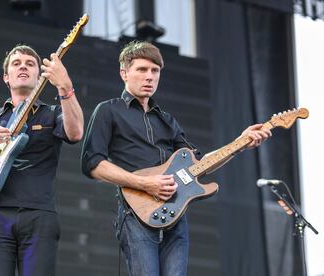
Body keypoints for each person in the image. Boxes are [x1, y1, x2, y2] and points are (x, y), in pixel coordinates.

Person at [81, 40, 271, 276]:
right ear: (124, 73)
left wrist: (239, 144)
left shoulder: (167, 120)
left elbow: (199, 166)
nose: (149, 77)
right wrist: (144, 183)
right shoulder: (108, 110)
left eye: (155, 71)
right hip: (136, 216)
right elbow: (93, 164)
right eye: (142, 69)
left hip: (175, 215)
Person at [0, 44, 84, 276]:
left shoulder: (53, 112)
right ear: (6, 77)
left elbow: (76, 133)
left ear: (40, 75)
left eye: (30, 64)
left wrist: (64, 85)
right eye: (16, 64)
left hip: (39, 214)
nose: (23, 67)